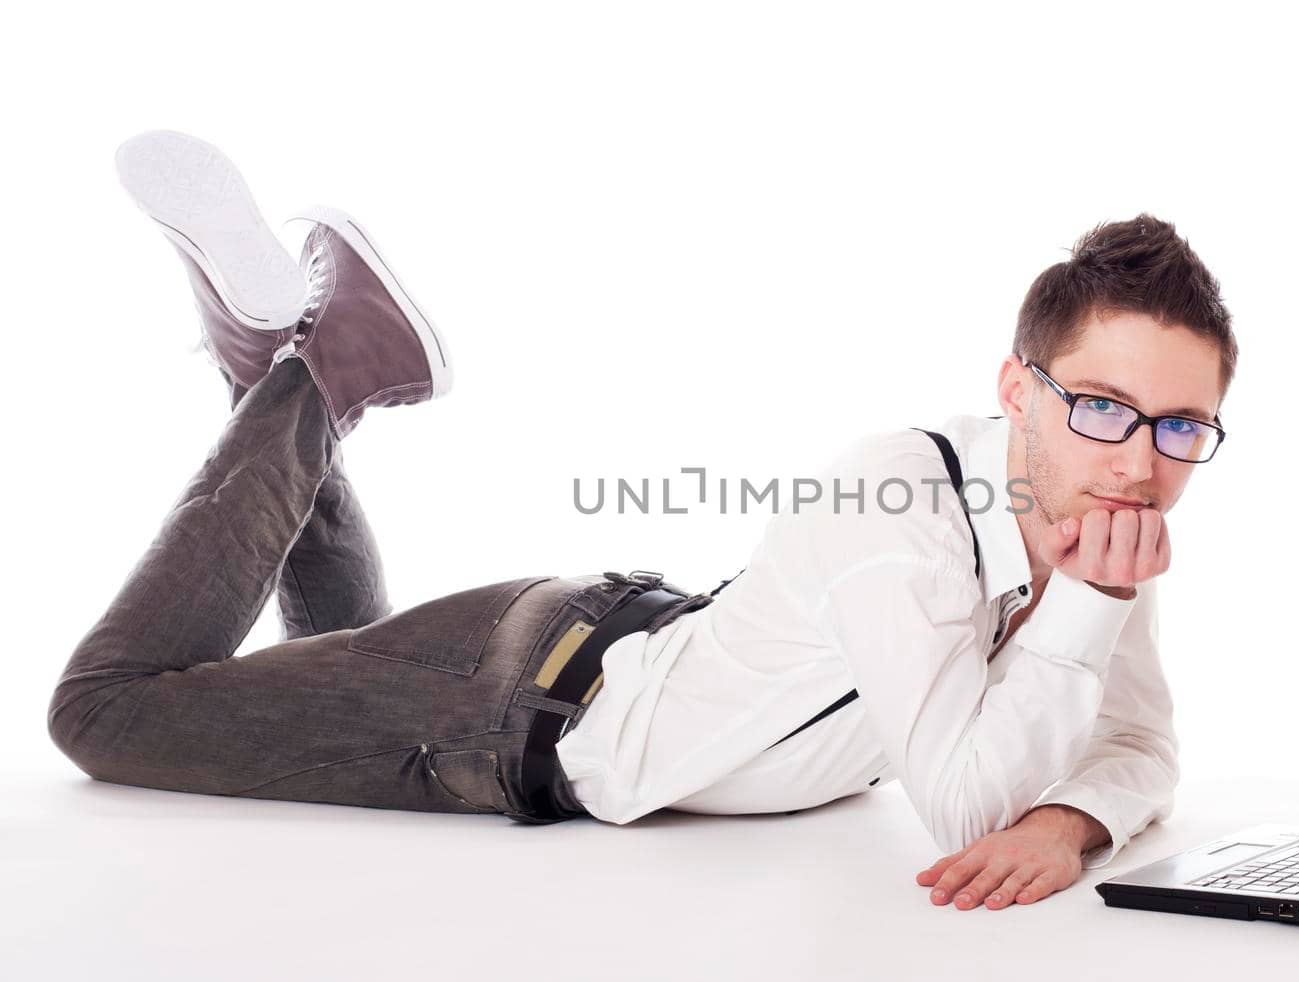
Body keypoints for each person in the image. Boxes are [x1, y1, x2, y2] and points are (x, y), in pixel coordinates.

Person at [48, 130, 1237, 913]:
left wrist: (1073, 820)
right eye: (1101, 407)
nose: (1140, 459)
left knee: (298, 665)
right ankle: (331, 367)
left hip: (568, 650)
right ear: (1018, 389)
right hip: (504, 710)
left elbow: (1140, 747)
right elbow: (966, 805)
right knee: (107, 710)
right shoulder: (907, 510)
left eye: (1182, 426)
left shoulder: (1085, 520)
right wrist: (1090, 617)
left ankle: (272, 357)